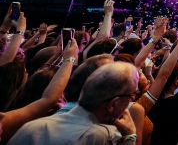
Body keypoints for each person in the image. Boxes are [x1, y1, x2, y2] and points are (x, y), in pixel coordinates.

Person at [9, 62, 139, 145]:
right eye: (132, 95)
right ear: (113, 104)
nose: (132, 100)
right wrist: (129, 137)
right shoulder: (99, 136)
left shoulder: (32, 127)